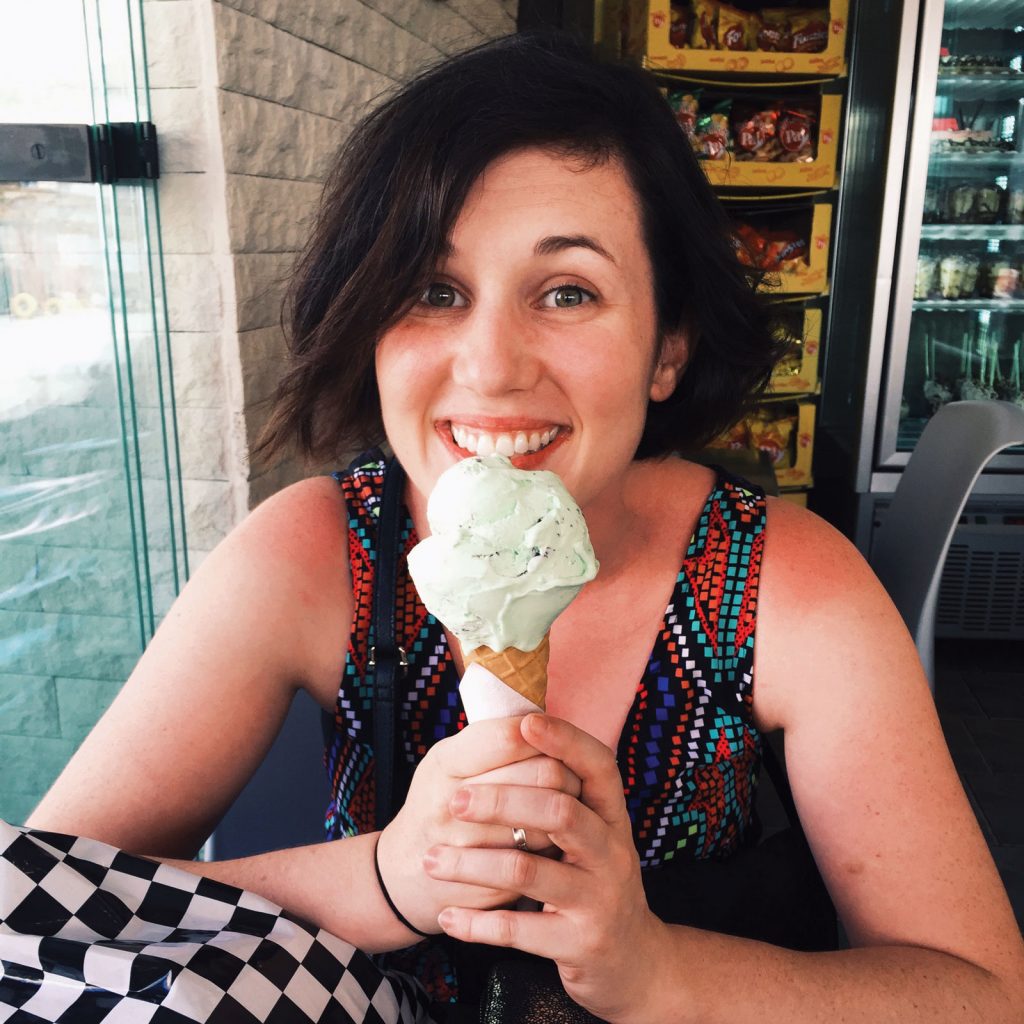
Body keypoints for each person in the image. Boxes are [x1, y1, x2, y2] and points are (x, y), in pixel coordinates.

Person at [27, 32, 1023, 1023]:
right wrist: (384, 877)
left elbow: (983, 989)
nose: (492, 365)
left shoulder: (780, 582)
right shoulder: (315, 552)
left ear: (667, 348)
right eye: (432, 290)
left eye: (566, 291)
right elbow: (41, 906)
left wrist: (657, 970)